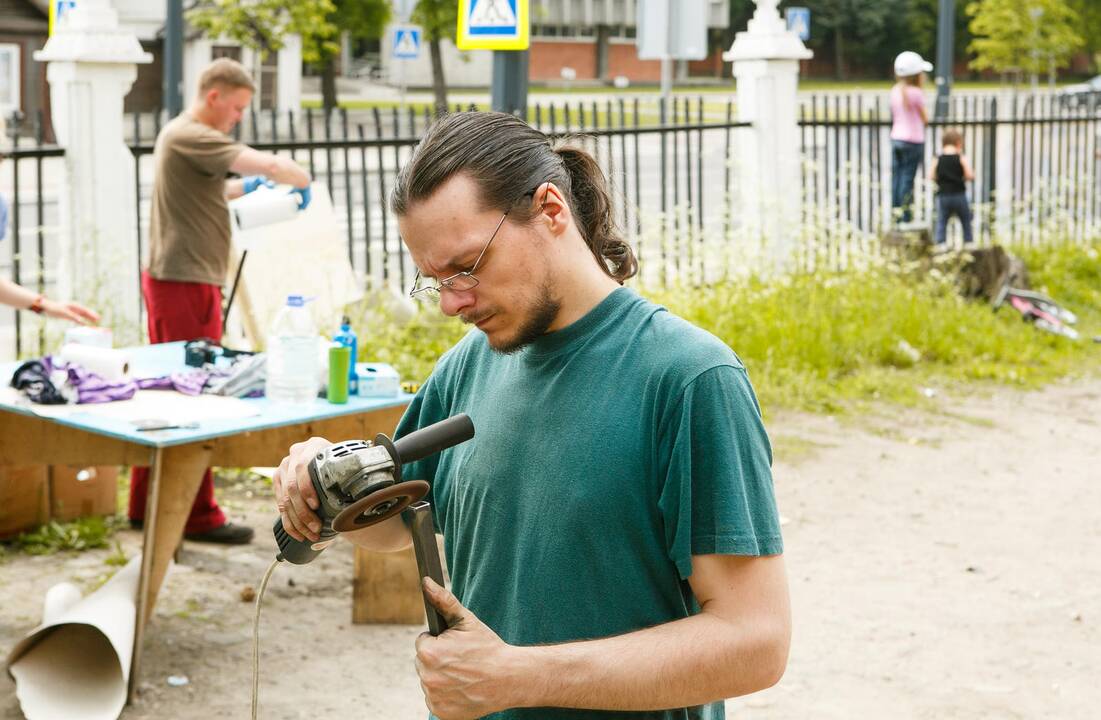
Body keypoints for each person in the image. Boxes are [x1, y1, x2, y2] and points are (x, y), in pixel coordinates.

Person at [274, 112, 790, 719]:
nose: (450, 303)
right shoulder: (472, 363)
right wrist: (323, 486)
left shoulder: (689, 379)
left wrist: (520, 677)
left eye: (466, 266)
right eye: (433, 280)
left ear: (550, 210)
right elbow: (395, 525)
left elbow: (755, 641)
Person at [129, 58, 312, 545]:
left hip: (183, 277)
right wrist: (297, 178)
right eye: (236, 107)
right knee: (195, 391)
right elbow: (269, 163)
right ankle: (196, 515)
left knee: (169, 388)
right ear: (214, 97)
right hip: (184, 279)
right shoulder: (194, 132)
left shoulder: (185, 139)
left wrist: (249, 189)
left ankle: (144, 504)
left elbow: (214, 188)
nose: (237, 117)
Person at [890, 51, 932, 224]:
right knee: (907, 181)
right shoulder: (916, 93)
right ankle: (906, 218)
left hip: (896, 138)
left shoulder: (894, 91)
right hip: (913, 141)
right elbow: (925, 118)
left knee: (897, 179)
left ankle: (897, 214)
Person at [929, 129, 975, 246]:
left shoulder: (937, 158)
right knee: (965, 219)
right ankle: (968, 242)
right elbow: (970, 175)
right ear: (958, 143)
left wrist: (941, 178)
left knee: (941, 220)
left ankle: (941, 243)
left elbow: (931, 175)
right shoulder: (960, 157)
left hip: (943, 195)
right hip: (959, 194)